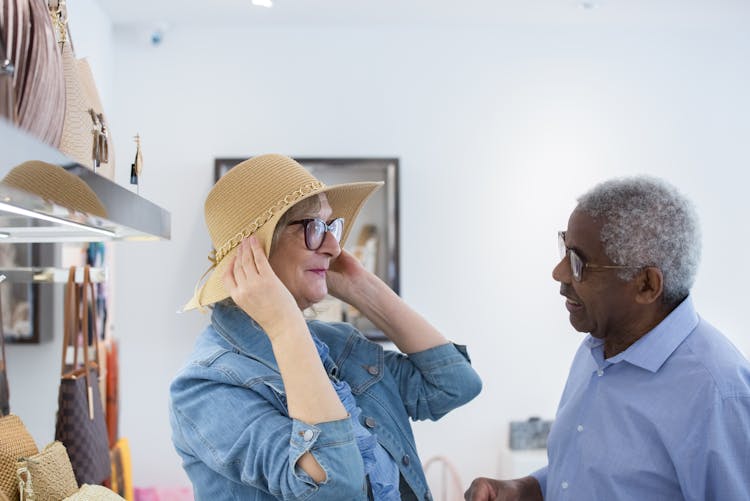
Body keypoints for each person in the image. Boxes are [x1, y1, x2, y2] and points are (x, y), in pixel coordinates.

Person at [170, 154, 482, 500]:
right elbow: (333, 486)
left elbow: (455, 385)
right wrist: (285, 324)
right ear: (257, 249)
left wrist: (361, 287)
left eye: (331, 227)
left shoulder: (337, 344)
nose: (334, 247)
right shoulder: (204, 388)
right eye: (313, 228)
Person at [465, 176, 750, 501]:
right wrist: (527, 489)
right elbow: (599, 476)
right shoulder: (596, 348)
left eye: (579, 263)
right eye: (564, 249)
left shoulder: (720, 395)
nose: (558, 273)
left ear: (646, 285)